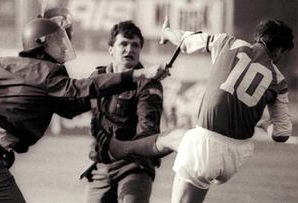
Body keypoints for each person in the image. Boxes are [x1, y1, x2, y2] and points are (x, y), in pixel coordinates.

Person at [0, 17, 167, 203]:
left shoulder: (2, 63)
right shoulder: (49, 73)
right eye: (56, 41)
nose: (62, 45)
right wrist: (137, 75)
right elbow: (83, 89)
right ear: (41, 43)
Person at [107, 16, 295, 203]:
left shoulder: (228, 43)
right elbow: (282, 134)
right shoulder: (279, 82)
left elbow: (186, 40)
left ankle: (118, 148)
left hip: (205, 147)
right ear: (279, 50)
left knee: (180, 141)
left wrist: (167, 32)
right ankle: (122, 149)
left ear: (258, 36)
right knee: (175, 137)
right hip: (235, 156)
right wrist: (265, 123)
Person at [80, 20, 164, 203]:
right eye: (123, 44)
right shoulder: (97, 77)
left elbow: (148, 129)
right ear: (111, 49)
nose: (130, 49)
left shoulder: (149, 83)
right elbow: (72, 101)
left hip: (135, 165)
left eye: (135, 45)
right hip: (101, 166)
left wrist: (121, 149)